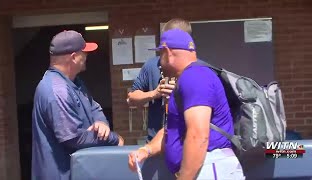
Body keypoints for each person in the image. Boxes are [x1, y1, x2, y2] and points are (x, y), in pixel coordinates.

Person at [128, 29, 244, 179]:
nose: (159, 61)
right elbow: (171, 130)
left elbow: (198, 136)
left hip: (210, 167)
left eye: (160, 54)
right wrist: (147, 150)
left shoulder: (194, 76)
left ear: (168, 52)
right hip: (203, 168)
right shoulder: (188, 78)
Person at [31, 30, 124, 180]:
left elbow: (95, 107)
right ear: (74, 57)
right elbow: (72, 138)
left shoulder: (75, 81)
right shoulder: (56, 90)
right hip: (60, 175)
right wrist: (113, 139)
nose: (86, 56)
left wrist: (101, 123)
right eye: (84, 52)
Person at [127, 18, 196, 142]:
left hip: (186, 141)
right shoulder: (151, 65)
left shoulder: (198, 70)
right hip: (155, 141)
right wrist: (155, 93)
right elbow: (131, 99)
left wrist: (179, 92)